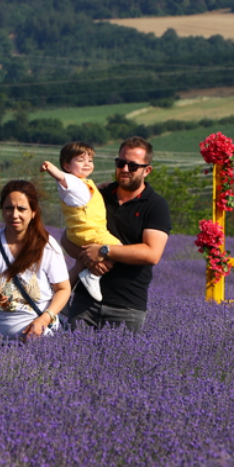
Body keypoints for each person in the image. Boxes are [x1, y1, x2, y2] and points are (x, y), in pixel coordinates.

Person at [62, 136, 172, 333]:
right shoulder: (98, 194)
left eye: (133, 165)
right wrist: (90, 258)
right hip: (85, 301)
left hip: (126, 306)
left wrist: (104, 250)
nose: (125, 169)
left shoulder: (156, 205)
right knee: (74, 360)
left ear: (147, 170)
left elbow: (151, 254)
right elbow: (67, 237)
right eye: (121, 163)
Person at [0, 180, 71, 342]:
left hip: (38, 342)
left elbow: (63, 289)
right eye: (9, 208)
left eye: (22, 209)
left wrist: (44, 319)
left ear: (33, 212)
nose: (14, 215)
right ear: (2, 210)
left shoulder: (47, 246)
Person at [41, 141, 121, 302]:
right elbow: (62, 178)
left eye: (90, 160)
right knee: (118, 250)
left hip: (82, 231)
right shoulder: (71, 182)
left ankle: (57, 299)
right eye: (80, 160)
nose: (87, 164)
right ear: (67, 166)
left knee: (80, 264)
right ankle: (92, 276)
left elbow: (85, 193)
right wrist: (50, 168)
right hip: (88, 232)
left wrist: (102, 187)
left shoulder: (83, 183)